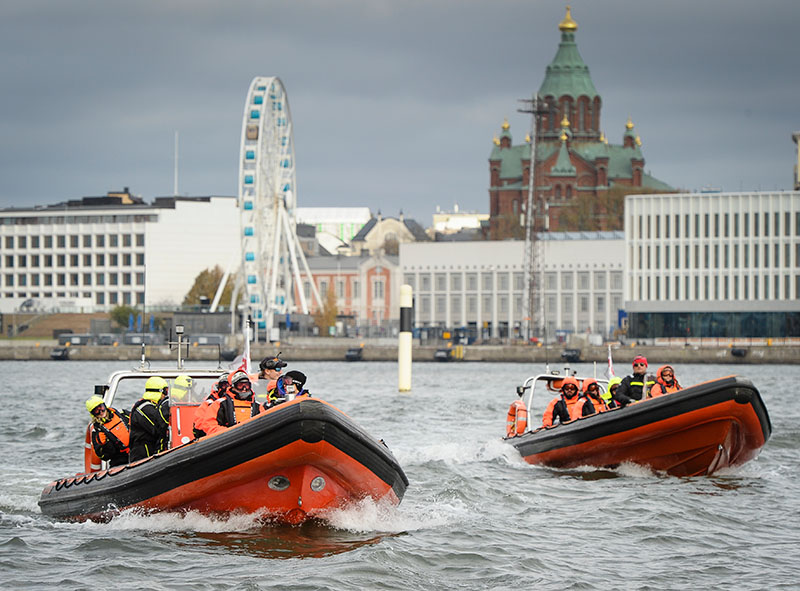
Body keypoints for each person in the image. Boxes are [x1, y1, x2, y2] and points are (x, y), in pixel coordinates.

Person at [193, 370, 262, 438]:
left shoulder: (258, 405)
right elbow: (208, 424)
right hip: (226, 439)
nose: (244, 389)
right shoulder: (219, 404)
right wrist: (230, 433)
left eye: (246, 385)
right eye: (240, 385)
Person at [129, 376, 171, 462]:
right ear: (160, 391)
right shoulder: (145, 408)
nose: (166, 394)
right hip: (143, 453)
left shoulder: (154, 407)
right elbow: (159, 428)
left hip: (152, 449)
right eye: (165, 391)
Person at [85, 395, 130, 467]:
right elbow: (104, 457)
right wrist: (105, 444)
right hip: (120, 460)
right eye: (96, 411)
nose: (101, 412)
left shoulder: (121, 414)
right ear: (93, 414)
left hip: (136, 450)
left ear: (105, 406)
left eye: (101, 408)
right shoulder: (97, 431)